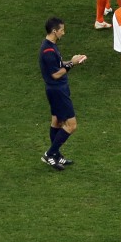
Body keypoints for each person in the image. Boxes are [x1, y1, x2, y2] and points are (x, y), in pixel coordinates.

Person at [39, 18, 87, 170]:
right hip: (57, 91)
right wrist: (72, 63)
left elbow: (58, 65)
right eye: (62, 30)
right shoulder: (48, 50)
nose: (63, 33)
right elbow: (55, 74)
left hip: (56, 90)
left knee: (57, 122)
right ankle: (50, 154)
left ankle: (56, 155)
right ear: (55, 31)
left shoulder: (50, 46)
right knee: (71, 125)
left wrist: (74, 61)